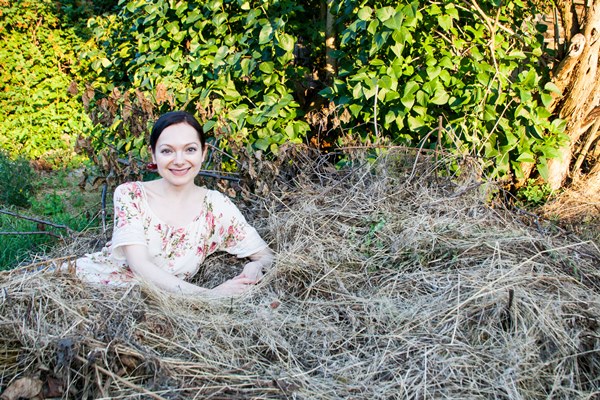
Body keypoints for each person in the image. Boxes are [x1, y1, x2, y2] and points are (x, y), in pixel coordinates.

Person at [73, 111, 273, 297]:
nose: (179, 160)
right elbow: (139, 265)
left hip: (152, 309)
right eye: (167, 151)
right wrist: (209, 296)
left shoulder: (216, 207)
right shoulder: (131, 194)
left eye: (190, 149)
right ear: (153, 154)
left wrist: (254, 267)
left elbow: (266, 255)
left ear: (203, 153)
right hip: (87, 285)